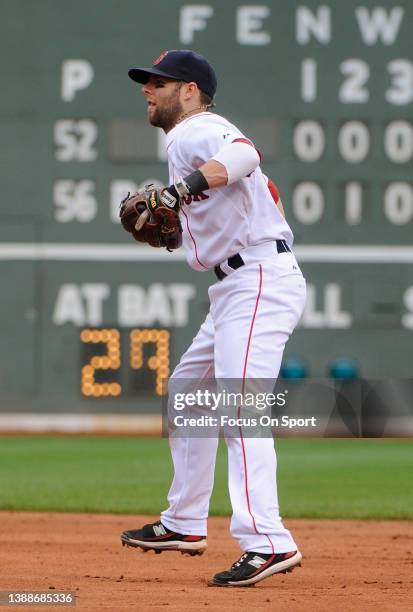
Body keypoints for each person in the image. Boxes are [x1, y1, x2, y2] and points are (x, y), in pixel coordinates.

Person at [120, 49, 306, 587]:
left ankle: (268, 541)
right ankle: (184, 521)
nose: (147, 89)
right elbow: (259, 190)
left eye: (159, 81)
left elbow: (246, 154)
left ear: (191, 90)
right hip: (238, 283)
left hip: (257, 281)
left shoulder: (197, 128)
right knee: (188, 392)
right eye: (146, 82)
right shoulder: (187, 138)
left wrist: (180, 192)